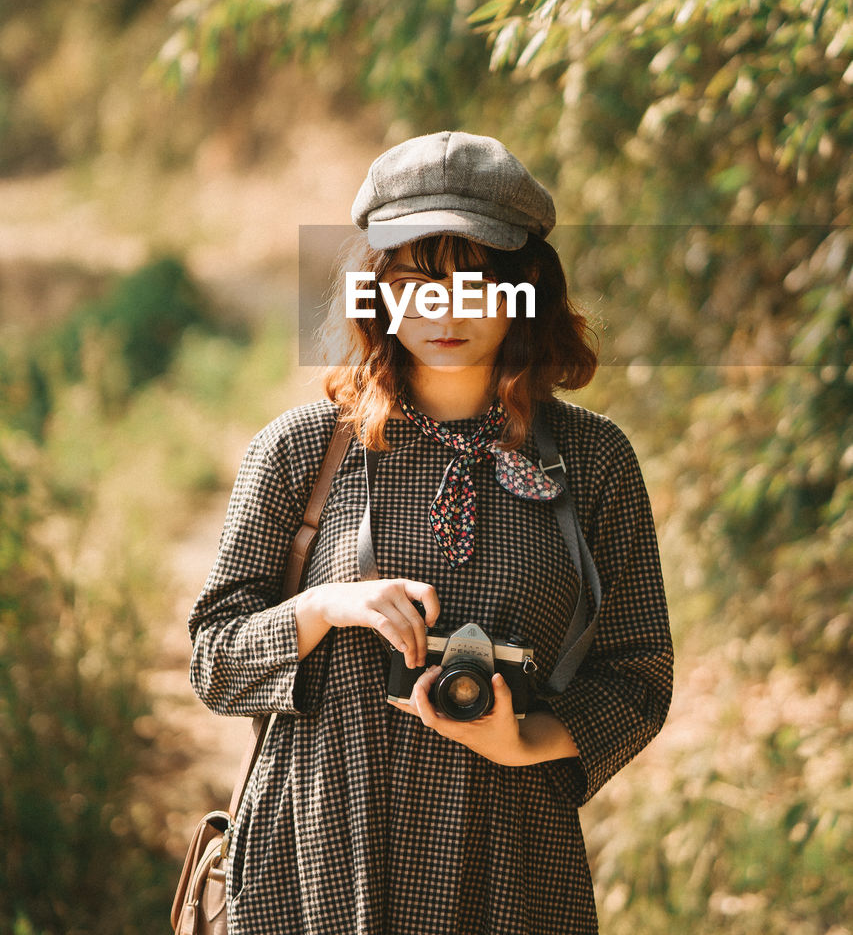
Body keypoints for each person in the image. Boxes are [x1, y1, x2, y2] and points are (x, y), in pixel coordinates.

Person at [188, 130, 673, 935]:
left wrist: (524, 741)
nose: (442, 311)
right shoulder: (301, 447)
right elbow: (213, 660)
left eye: (473, 282)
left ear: (526, 291)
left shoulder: (594, 459)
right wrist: (328, 607)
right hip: (314, 861)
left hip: (509, 865)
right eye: (415, 281)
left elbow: (637, 676)